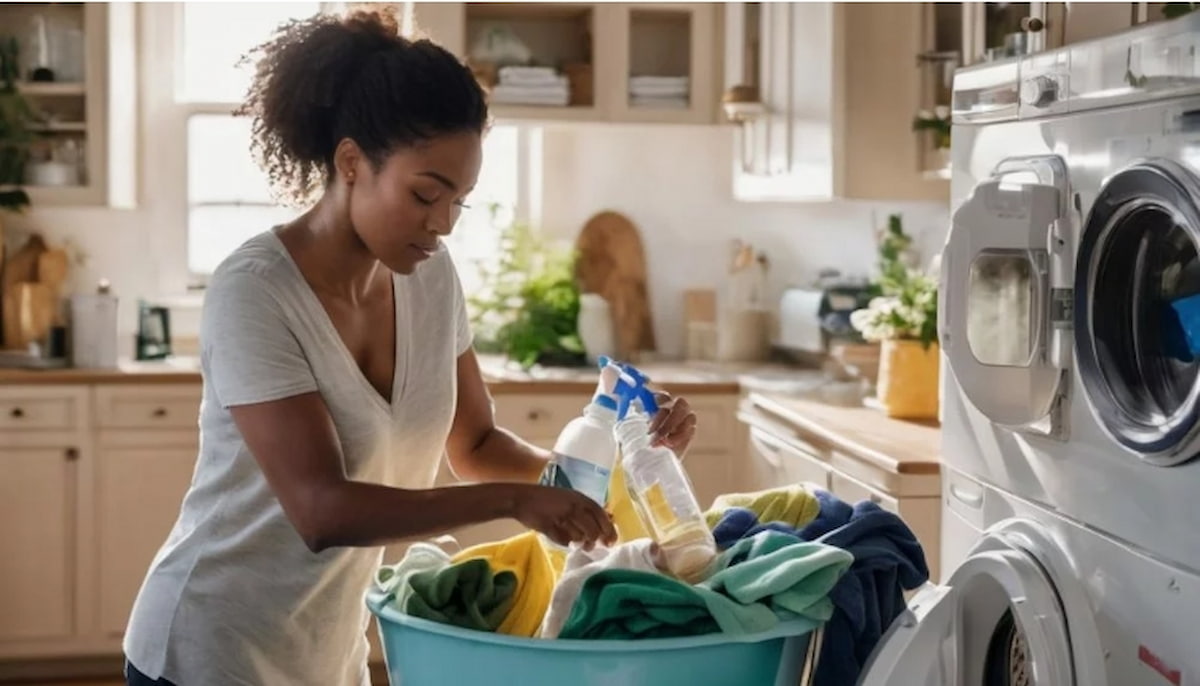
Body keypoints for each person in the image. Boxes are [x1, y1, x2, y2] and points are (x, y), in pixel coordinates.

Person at [122, 8, 699, 686]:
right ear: (350, 163)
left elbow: (476, 446)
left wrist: (624, 464)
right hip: (209, 648)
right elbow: (320, 510)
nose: (443, 224)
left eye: (460, 201)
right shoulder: (255, 293)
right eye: (426, 194)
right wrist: (514, 502)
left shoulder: (427, 276)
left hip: (330, 654)